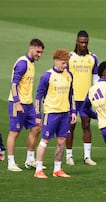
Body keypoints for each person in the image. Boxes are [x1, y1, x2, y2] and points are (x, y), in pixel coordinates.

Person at [33, 49, 77, 179]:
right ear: (56, 60)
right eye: (63, 63)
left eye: (66, 63)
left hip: (65, 114)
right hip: (51, 113)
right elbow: (38, 96)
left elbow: (71, 95)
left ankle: (57, 169)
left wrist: (73, 111)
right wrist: (37, 115)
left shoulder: (69, 75)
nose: (65, 66)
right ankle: (38, 169)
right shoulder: (47, 76)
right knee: (44, 141)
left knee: (62, 141)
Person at [7, 38, 45, 171]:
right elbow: (13, 84)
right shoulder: (23, 63)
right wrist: (17, 102)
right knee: (14, 132)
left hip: (28, 104)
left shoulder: (31, 63)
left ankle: (30, 159)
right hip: (17, 103)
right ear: (31, 48)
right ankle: (11, 162)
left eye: (41, 53)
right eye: (38, 52)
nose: (39, 55)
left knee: (36, 127)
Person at [66, 30, 99, 166]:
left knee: (86, 125)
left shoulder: (93, 58)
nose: (84, 45)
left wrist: (96, 95)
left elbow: (96, 79)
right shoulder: (69, 57)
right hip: (72, 98)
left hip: (86, 98)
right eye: (81, 42)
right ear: (76, 42)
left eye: (86, 42)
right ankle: (69, 156)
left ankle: (87, 157)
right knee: (70, 126)